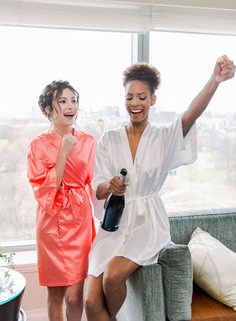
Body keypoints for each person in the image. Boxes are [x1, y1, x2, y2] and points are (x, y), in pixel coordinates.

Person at [84, 55, 235, 321]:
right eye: (129, 97)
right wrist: (111, 186)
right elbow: (97, 187)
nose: (135, 103)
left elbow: (190, 114)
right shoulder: (109, 138)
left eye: (142, 97)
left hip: (147, 225)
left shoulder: (163, 137)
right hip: (115, 224)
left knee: (113, 277)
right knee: (90, 302)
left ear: (152, 100)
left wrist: (215, 81)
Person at [27, 80, 97, 321]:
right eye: (62, 101)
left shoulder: (88, 141)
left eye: (74, 101)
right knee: (56, 295)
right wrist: (63, 151)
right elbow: (44, 190)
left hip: (80, 221)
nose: (70, 107)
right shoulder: (38, 145)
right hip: (52, 224)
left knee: (76, 297)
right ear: (48, 109)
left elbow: (93, 181)